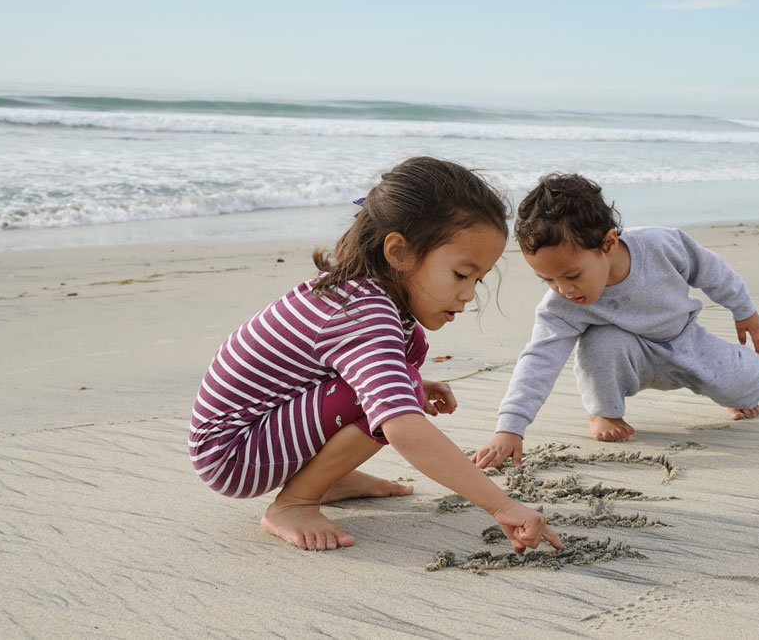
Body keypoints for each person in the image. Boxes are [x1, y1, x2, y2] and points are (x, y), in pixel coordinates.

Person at [189, 156, 562, 553]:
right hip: (234, 453)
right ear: (399, 252)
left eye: (477, 280)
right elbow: (404, 428)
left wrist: (406, 384)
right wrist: (501, 505)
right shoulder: (363, 313)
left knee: (409, 357)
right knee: (401, 394)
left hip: (264, 432)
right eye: (460, 274)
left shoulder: (368, 297)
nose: (469, 294)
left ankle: (328, 478)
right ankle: (294, 503)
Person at [473, 173, 759, 469]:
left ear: (609, 243)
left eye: (572, 275)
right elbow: (539, 359)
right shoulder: (562, 306)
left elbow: (710, 270)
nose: (563, 289)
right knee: (600, 342)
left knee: (750, 386)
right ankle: (605, 412)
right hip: (629, 356)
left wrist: (743, 309)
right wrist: (510, 427)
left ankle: (733, 383)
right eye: (547, 280)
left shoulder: (660, 244)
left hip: (686, 342)